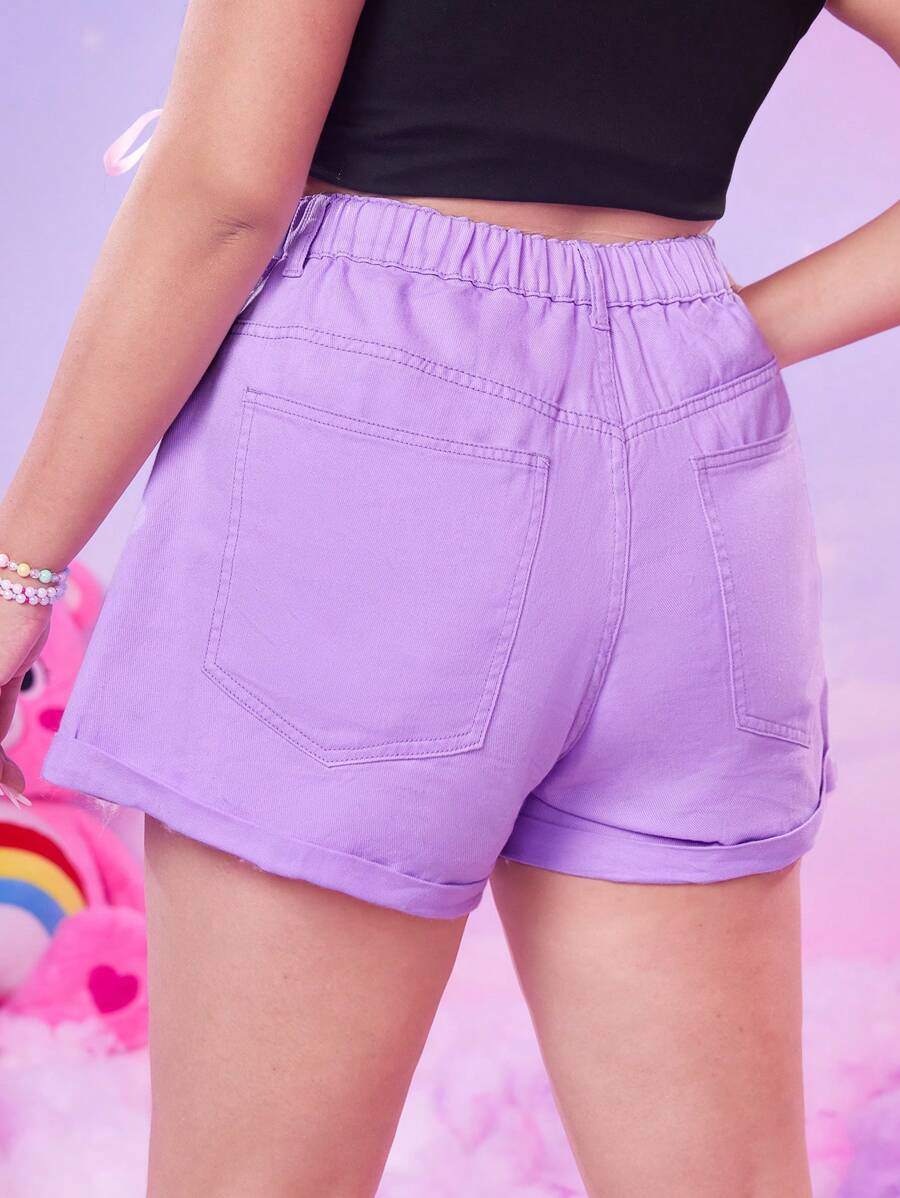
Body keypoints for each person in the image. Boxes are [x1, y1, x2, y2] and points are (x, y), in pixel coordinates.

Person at [2, 2, 898, 1194]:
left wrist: (19, 567)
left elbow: (223, 193)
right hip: (702, 478)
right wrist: (720, 342)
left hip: (372, 436)